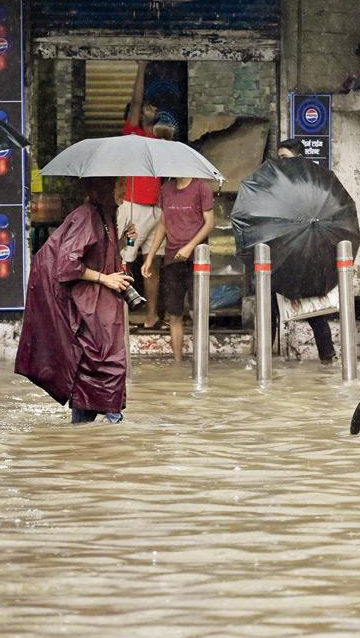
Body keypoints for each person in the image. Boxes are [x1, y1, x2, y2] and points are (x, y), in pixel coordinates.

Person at [16, 177, 133, 423]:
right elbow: (67, 264)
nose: (125, 189)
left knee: (92, 372)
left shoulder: (104, 216)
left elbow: (99, 254)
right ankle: (115, 427)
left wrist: (123, 240)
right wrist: (105, 279)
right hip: (86, 309)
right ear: (105, 186)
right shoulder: (86, 216)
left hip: (98, 307)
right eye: (120, 184)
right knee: (106, 365)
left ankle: (82, 436)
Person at [142, 175, 215, 364]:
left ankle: (201, 362)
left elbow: (209, 223)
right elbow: (163, 224)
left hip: (197, 258)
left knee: (198, 312)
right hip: (172, 258)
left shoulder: (201, 188)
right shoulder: (166, 189)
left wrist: (190, 247)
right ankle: (177, 364)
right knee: (174, 314)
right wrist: (150, 257)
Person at [275, 138, 336, 363]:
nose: (281, 162)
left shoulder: (314, 184)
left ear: (299, 158)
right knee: (270, 307)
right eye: (279, 158)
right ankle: (263, 361)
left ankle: (327, 359)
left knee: (314, 311)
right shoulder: (277, 184)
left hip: (307, 253)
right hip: (282, 253)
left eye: (285, 158)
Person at [119, 60, 163, 329]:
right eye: (147, 106)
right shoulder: (132, 134)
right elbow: (135, 102)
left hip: (156, 209)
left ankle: (151, 317)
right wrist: (141, 68)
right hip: (133, 208)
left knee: (152, 264)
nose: (151, 108)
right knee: (125, 263)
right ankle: (121, 317)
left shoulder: (160, 140)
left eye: (153, 107)